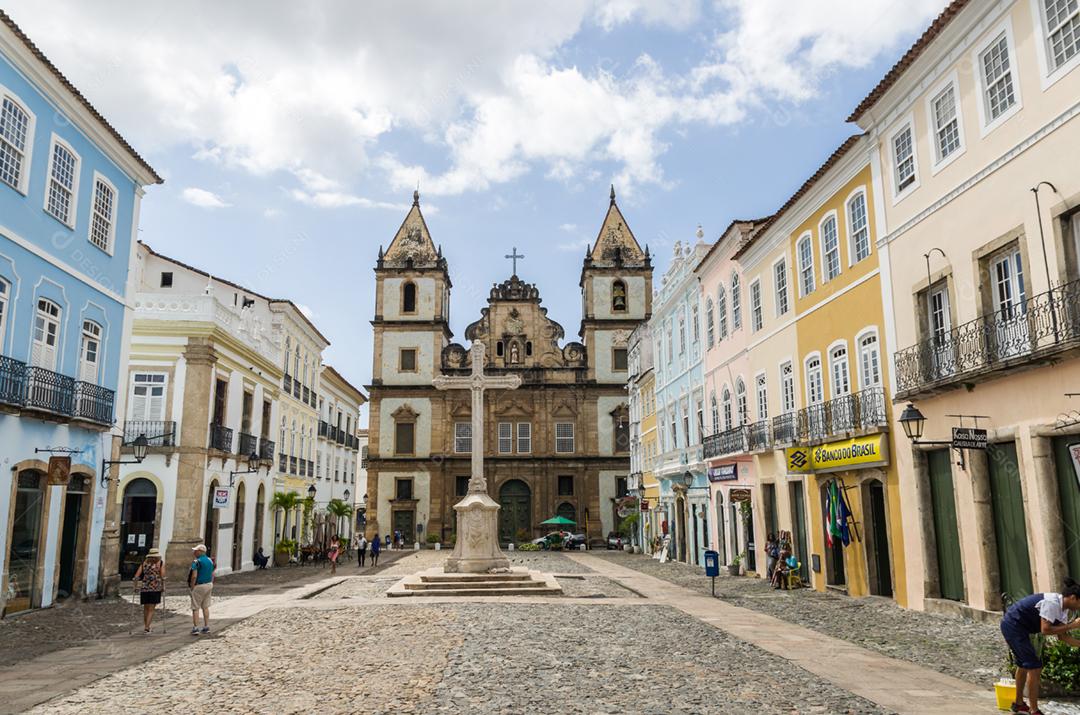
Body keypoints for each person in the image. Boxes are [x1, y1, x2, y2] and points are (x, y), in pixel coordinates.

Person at [1000, 579, 1080, 715]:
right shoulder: (1052, 603)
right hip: (1013, 626)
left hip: (1020, 628)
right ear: (1073, 598)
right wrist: (1073, 625)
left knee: (1024, 664)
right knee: (1034, 666)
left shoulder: (1063, 610)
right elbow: (1046, 630)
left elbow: (1062, 636)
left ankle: (1019, 703)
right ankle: (1034, 710)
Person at [133, 548, 164, 633]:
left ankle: (146, 626)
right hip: (155, 588)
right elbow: (162, 576)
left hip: (145, 588)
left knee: (146, 608)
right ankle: (147, 627)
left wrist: (135, 586)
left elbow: (136, 576)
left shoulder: (144, 564)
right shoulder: (160, 563)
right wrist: (163, 587)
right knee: (151, 609)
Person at [188, 544, 215, 635]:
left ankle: (195, 628)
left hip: (199, 585)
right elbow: (212, 572)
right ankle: (206, 626)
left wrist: (192, 587)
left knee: (195, 607)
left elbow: (194, 576)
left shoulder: (196, 561)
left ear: (201, 551)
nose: (194, 552)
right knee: (205, 606)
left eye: (196, 551)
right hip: (209, 584)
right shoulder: (210, 560)